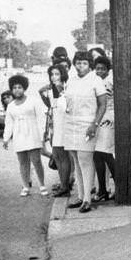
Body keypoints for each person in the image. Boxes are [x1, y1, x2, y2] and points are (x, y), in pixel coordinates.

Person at [64, 52, 108, 213]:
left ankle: (88, 199)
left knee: (85, 160)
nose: (80, 66)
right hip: (71, 123)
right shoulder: (72, 80)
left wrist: (94, 124)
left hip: (88, 123)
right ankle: (81, 196)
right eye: (78, 63)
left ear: (89, 64)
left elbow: (103, 104)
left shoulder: (96, 80)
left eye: (83, 63)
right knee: (76, 160)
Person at [2, 74, 48, 196]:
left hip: (33, 134)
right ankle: (26, 186)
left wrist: (42, 135)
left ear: (24, 88)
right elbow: (9, 123)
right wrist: (6, 138)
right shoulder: (11, 106)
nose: (17, 90)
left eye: (20, 87)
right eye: (15, 87)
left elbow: (40, 119)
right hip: (19, 135)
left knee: (36, 161)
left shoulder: (33, 101)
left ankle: (42, 185)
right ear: (12, 89)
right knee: (22, 162)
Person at [45, 64, 73, 197]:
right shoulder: (51, 90)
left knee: (62, 156)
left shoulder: (65, 89)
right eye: (52, 74)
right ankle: (63, 184)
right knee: (56, 156)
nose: (54, 77)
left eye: (57, 74)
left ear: (62, 75)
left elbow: (65, 107)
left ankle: (65, 186)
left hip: (64, 124)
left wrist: (60, 91)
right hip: (55, 125)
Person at [93, 55, 115, 202]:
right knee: (97, 155)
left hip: (109, 118)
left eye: (102, 68)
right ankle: (102, 189)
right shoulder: (97, 81)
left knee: (106, 153)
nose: (99, 71)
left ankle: (119, 187)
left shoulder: (109, 82)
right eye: (97, 68)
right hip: (100, 118)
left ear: (108, 69)